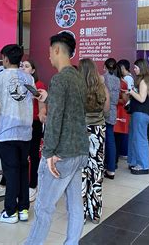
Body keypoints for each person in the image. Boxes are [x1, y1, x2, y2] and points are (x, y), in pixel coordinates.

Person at [25, 32, 89, 245]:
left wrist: (49, 152)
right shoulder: (78, 77)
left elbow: (54, 119)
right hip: (79, 150)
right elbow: (74, 106)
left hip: (61, 154)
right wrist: (49, 97)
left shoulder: (60, 79)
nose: (49, 56)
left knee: (44, 207)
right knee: (74, 205)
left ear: (58, 50)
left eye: (50, 52)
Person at [0, 44, 34, 224]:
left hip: (7, 131)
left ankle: (10, 212)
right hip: (25, 131)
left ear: (5, 58)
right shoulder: (28, 78)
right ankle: (23, 209)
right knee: (23, 169)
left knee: (11, 171)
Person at [79, 58, 109, 224]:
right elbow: (107, 109)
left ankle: (81, 214)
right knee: (96, 171)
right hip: (98, 130)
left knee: (82, 172)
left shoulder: (77, 88)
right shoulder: (101, 87)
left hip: (82, 131)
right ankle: (95, 212)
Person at [21, 59, 47, 202]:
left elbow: (42, 106)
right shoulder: (20, 85)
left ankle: (33, 185)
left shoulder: (38, 85)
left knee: (33, 154)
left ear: (33, 70)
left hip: (34, 123)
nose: (23, 68)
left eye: (27, 66)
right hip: (22, 123)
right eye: (22, 66)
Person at [127, 59, 149, 174]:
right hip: (142, 113)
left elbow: (141, 98)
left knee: (140, 139)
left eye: (136, 67)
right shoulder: (148, 80)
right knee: (136, 138)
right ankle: (135, 162)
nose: (134, 70)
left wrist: (131, 92)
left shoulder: (144, 81)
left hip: (141, 113)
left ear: (142, 68)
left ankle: (143, 166)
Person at [102, 58, 120, 180]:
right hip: (113, 109)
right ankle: (111, 169)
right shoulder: (118, 79)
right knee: (111, 140)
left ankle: (103, 165)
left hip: (104, 109)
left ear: (105, 66)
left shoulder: (103, 78)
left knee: (102, 140)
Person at [115, 59, 134, 161]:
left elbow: (126, 96)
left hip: (124, 107)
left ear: (122, 67)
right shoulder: (129, 77)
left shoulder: (125, 79)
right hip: (126, 106)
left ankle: (123, 151)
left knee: (122, 130)